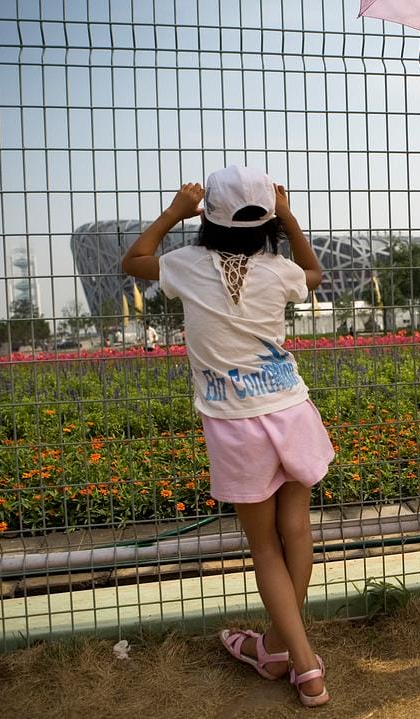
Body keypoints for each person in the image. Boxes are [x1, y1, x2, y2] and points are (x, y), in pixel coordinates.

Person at [121, 165, 333, 707]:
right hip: (291, 409)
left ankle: (301, 662)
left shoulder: (186, 265)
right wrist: (289, 218)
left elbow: (133, 261)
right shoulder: (277, 268)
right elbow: (315, 274)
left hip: (236, 425)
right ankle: (277, 648)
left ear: (207, 217)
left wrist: (173, 211)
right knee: (297, 534)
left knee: (265, 546)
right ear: (267, 220)